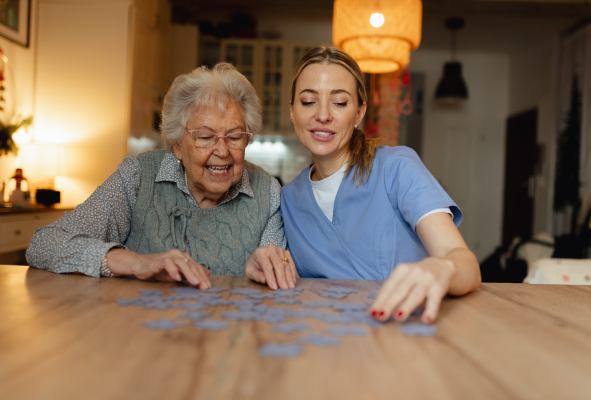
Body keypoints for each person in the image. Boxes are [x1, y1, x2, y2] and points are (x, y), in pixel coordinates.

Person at [27, 63, 297, 290]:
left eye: (235, 137)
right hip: (139, 334)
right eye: (205, 137)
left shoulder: (267, 190)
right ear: (177, 145)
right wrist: (138, 262)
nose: (223, 151)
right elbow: (45, 244)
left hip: (229, 335)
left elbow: (275, 276)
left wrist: (270, 267)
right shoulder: (138, 176)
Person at [276, 47, 481, 323]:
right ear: (292, 111)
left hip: (408, 335)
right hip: (328, 345)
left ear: (359, 112)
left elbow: (465, 264)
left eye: (339, 102)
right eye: (308, 101)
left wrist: (443, 268)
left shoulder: (398, 167)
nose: (322, 115)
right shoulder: (287, 199)